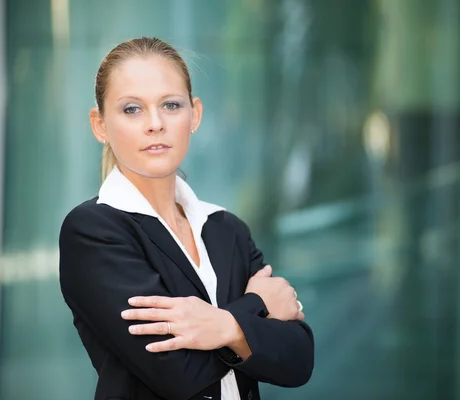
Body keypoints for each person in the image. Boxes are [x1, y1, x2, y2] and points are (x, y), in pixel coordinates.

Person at [59, 37, 314, 400]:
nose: (155, 124)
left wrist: (218, 326)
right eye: (132, 109)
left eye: (171, 105)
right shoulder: (93, 231)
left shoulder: (226, 228)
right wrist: (255, 307)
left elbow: (298, 359)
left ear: (194, 114)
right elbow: (176, 372)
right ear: (99, 125)